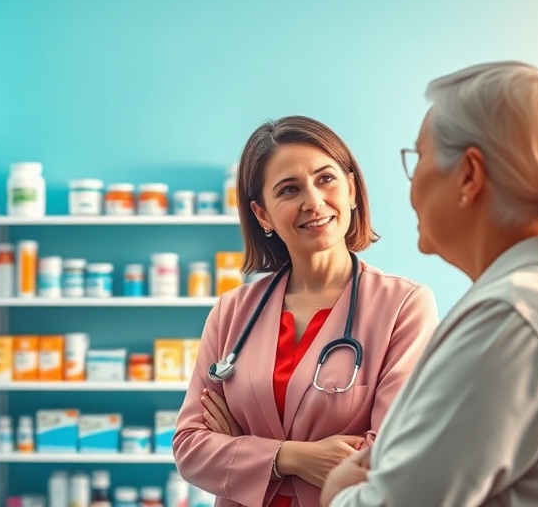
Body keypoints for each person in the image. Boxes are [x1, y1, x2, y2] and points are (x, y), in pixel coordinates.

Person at [321, 61, 538, 507]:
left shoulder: (513, 318)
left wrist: (339, 490)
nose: (412, 189)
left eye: (420, 159)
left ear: (469, 175)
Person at [172, 115, 440, 506]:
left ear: (351, 187)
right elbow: (191, 448)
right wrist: (292, 457)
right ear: (262, 214)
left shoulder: (403, 306)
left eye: (326, 179)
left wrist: (240, 449)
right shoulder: (232, 312)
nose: (313, 201)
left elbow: (395, 453)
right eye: (288, 189)